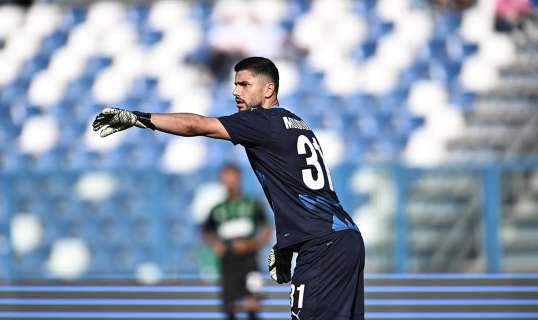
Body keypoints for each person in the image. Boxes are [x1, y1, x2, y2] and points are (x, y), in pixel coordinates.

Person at [92, 56, 365, 319]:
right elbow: (304, 191)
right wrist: (288, 244)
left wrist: (138, 118)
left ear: (269, 88)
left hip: (322, 245)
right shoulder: (298, 124)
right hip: (344, 237)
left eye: (244, 84)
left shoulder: (262, 121)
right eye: (235, 84)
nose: (236, 91)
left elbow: (195, 124)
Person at [202, 163, 272, 320]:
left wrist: (251, 244)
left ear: (239, 178)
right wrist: (215, 244)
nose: (230, 182)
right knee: (230, 305)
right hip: (228, 262)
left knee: (252, 302)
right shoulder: (217, 209)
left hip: (249, 261)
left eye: (233, 177)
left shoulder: (252, 204)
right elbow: (206, 231)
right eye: (226, 178)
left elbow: (266, 229)